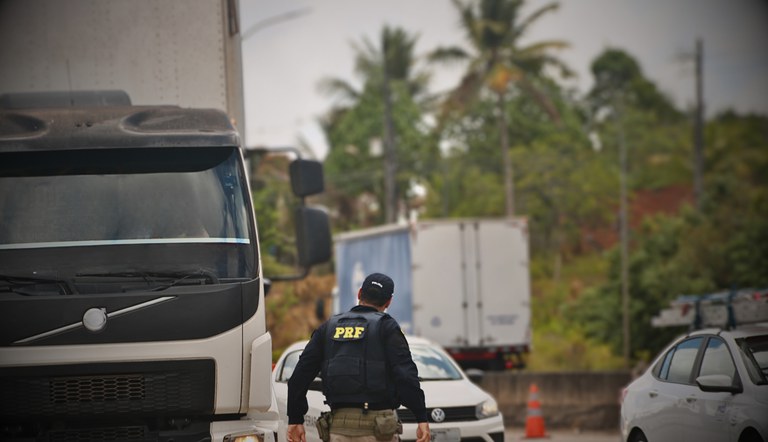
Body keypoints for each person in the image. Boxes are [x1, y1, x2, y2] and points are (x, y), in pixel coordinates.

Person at [286, 272, 431, 442]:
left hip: (338, 427)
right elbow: (405, 376)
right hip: (379, 428)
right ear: (388, 302)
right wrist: (421, 416)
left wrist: (295, 419)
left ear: (359, 293)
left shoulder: (328, 327)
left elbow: (299, 376)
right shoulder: (387, 327)